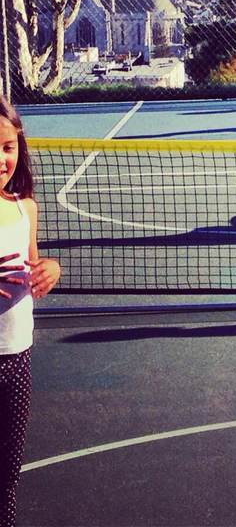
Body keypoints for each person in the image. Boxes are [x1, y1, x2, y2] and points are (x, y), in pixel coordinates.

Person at [0, 97, 61, 527]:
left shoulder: (26, 208)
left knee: (7, 473)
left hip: (17, 360)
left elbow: (33, 266)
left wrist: (50, 270)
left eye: (8, 146)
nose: (2, 158)